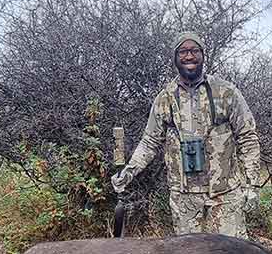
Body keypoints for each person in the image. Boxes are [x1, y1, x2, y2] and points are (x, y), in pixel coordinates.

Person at [111, 31, 261, 238]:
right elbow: (150, 142)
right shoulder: (165, 98)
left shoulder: (226, 92)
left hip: (226, 194)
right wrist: (128, 172)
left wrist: (252, 184)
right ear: (175, 58)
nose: (189, 56)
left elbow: (248, 137)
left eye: (194, 51)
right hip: (184, 198)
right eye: (183, 51)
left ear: (203, 55)